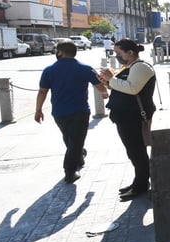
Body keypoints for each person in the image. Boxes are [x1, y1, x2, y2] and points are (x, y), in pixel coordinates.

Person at [35, 40, 109, 183]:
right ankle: (69, 171)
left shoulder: (49, 70)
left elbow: (42, 92)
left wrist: (38, 110)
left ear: (60, 52)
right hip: (79, 110)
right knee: (75, 140)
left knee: (70, 138)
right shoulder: (85, 68)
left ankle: (78, 156)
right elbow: (99, 85)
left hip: (59, 112)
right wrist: (105, 93)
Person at [98, 38, 156, 200]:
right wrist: (109, 82)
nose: (116, 56)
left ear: (130, 53)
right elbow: (123, 86)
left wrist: (111, 79)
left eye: (118, 53)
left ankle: (141, 185)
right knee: (133, 151)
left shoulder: (141, 67)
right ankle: (139, 181)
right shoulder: (130, 66)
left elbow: (132, 88)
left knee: (137, 151)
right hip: (125, 116)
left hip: (133, 116)